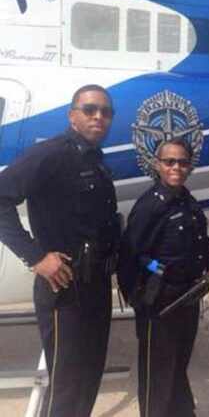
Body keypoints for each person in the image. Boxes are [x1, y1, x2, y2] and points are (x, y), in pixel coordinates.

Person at [0, 84, 119, 417]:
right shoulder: (51, 154)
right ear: (72, 115)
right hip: (64, 287)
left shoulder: (95, 160)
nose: (98, 117)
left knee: (89, 377)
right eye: (90, 109)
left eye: (106, 112)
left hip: (96, 284)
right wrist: (36, 257)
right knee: (67, 385)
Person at [118, 137, 209, 417]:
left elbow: (201, 241)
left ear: (190, 166)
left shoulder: (187, 201)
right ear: (157, 165)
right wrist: (141, 301)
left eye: (183, 162)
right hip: (159, 306)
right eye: (169, 161)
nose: (176, 167)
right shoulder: (150, 206)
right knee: (157, 379)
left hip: (188, 299)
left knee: (178, 368)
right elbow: (128, 257)